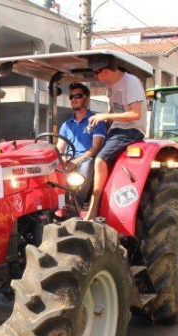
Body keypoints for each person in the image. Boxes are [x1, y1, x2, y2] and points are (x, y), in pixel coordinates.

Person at [86, 58, 147, 220]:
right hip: (116, 130)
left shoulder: (131, 82)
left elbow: (136, 114)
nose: (95, 76)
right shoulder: (111, 85)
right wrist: (104, 126)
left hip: (131, 130)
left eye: (95, 73)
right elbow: (113, 109)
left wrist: (105, 115)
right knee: (90, 157)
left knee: (100, 160)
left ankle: (95, 208)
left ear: (105, 71)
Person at [57, 82, 107, 203]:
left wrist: (75, 162)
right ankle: (56, 200)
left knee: (87, 163)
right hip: (70, 159)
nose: (73, 99)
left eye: (77, 96)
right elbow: (60, 148)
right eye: (71, 97)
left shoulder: (96, 121)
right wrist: (62, 158)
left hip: (86, 159)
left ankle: (78, 202)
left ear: (86, 99)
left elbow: (95, 148)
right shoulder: (66, 125)